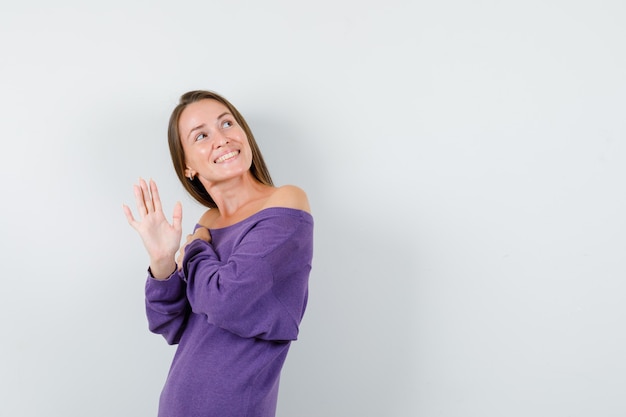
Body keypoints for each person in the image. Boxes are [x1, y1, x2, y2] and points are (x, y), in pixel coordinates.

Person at [122, 90, 313, 417]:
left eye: (227, 123)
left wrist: (195, 245)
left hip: (233, 406)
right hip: (176, 403)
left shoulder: (285, 202)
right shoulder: (208, 222)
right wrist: (163, 261)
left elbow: (227, 299)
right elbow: (169, 324)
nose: (222, 138)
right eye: (201, 135)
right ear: (187, 167)